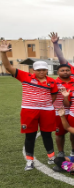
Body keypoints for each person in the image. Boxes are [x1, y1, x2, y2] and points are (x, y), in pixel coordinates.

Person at [1, 40, 58, 170]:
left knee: (47, 135)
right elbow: (8, 67)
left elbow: (53, 96)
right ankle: (29, 161)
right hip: (29, 110)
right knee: (30, 135)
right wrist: (3, 53)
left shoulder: (52, 81)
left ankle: (51, 157)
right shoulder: (25, 76)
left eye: (44, 70)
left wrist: (45, 104)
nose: (42, 72)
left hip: (47, 110)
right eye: (39, 70)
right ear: (33, 70)